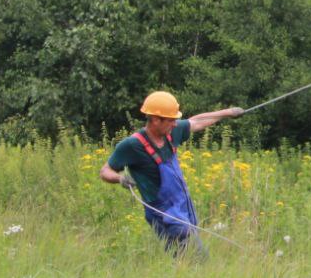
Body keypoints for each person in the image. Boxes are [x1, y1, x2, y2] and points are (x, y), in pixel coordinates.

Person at [99, 91, 244, 252]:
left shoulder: (171, 132)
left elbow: (195, 122)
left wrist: (228, 113)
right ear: (155, 120)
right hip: (162, 214)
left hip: (182, 205)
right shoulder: (132, 146)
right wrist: (120, 179)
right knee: (196, 258)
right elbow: (105, 171)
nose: (175, 124)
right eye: (171, 120)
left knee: (183, 261)